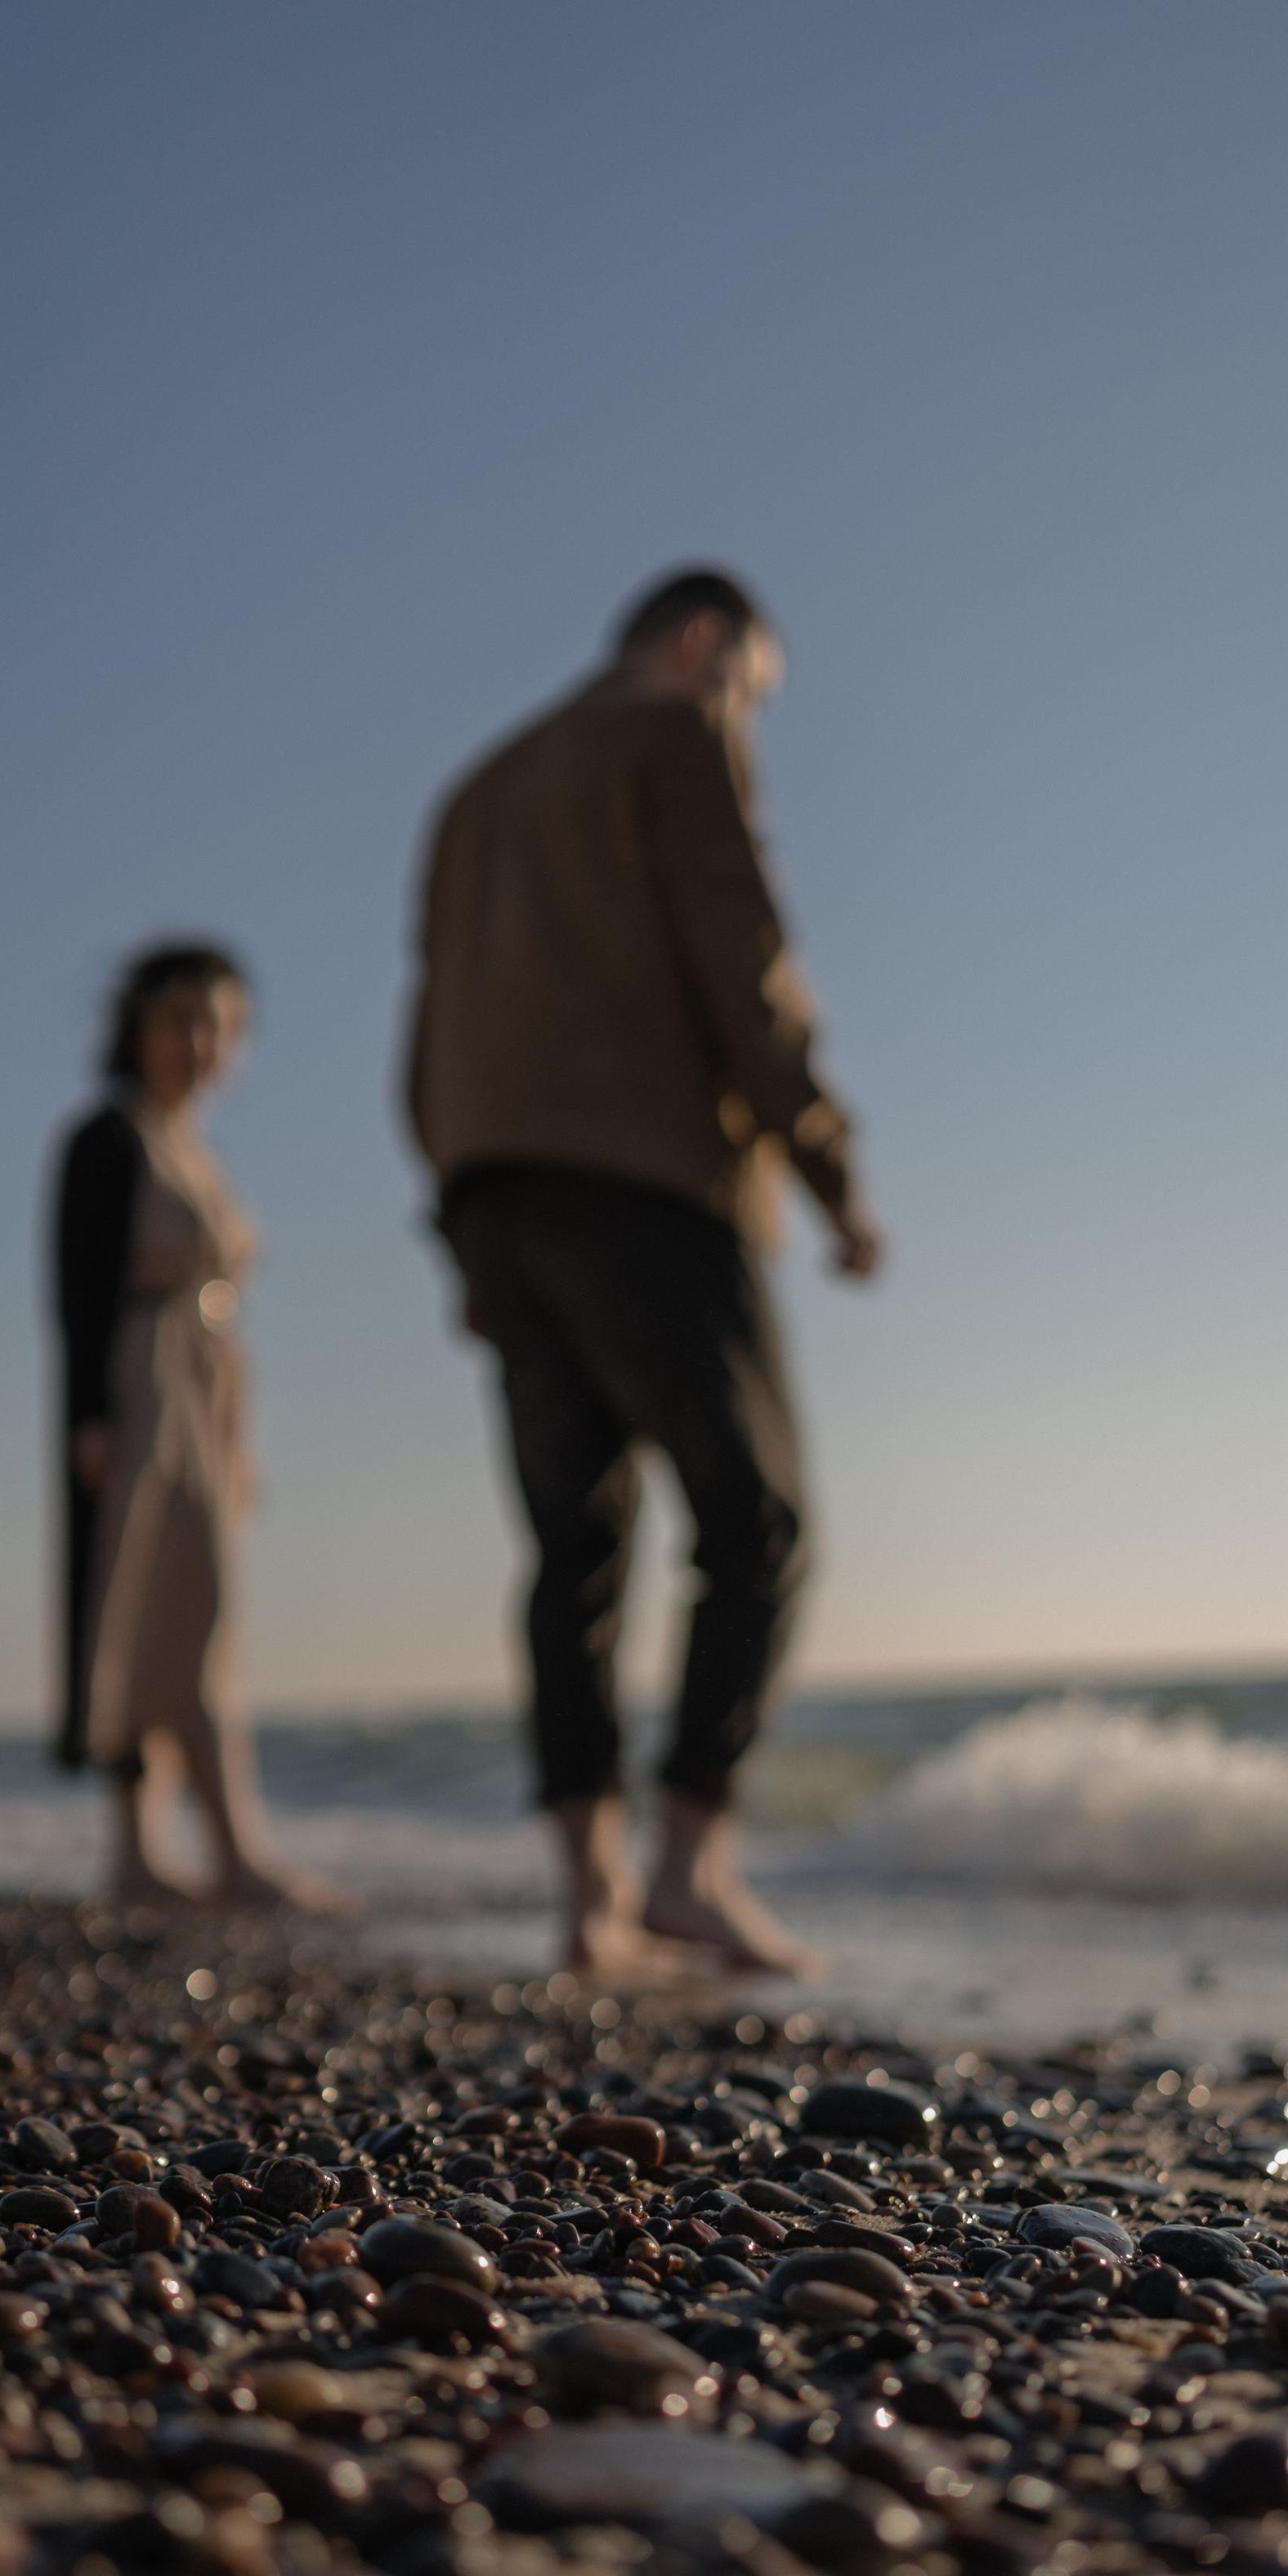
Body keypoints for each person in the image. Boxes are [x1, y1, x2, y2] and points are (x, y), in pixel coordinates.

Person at [405, 567, 885, 1975]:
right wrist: (832, 1172)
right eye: (754, 689)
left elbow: (427, 1027)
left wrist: (461, 1221)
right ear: (698, 644)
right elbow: (742, 958)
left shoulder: (475, 789)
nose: (749, 716)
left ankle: (586, 1897)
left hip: (497, 1192)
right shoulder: (670, 733)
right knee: (760, 1521)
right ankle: (688, 1865)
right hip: (651, 1178)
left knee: (575, 1549)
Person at [51, 940, 342, 1912]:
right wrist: (91, 1416)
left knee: (191, 1612)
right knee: (147, 1607)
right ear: (137, 1028)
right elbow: (79, 1293)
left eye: (219, 1026)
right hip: (143, 1383)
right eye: (180, 1020)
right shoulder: (110, 1138)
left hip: (206, 1388)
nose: (200, 1042)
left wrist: (238, 1440)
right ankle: (189, 1850)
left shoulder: (197, 1154)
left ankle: (178, 1852)